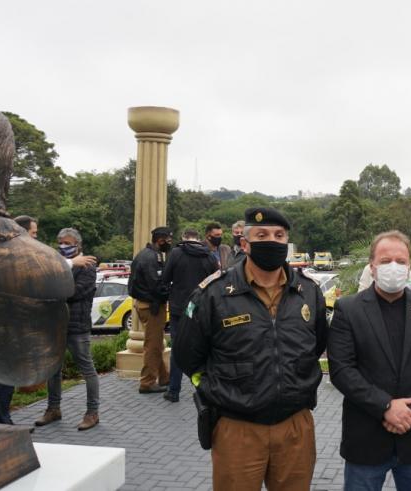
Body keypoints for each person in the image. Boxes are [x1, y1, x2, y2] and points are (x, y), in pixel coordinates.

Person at [173, 207, 327, 491]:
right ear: (245, 244)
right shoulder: (214, 293)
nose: (272, 240)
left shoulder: (308, 292)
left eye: (279, 235)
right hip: (237, 428)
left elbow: (316, 345)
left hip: (295, 426)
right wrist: (211, 388)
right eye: (262, 235)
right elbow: (187, 355)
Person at [328, 230, 411, 490]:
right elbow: (342, 370)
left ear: (409, 266)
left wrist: (408, 412)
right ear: (372, 267)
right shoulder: (349, 309)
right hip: (365, 439)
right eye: (385, 261)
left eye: (401, 261)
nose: (393, 267)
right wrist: (386, 406)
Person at [34, 228, 100, 431]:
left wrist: (54, 290)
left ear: (78, 245)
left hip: (77, 327)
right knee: (53, 369)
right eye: (60, 242)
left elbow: (75, 291)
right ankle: (53, 409)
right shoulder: (57, 262)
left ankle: (92, 412)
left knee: (87, 369)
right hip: (55, 325)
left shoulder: (87, 266)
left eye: (68, 242)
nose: (63, 246)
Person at [159, 228, 219, 402]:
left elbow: (165, 278)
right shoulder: (208, 255)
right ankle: (205, 389)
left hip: (179, 308)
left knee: (177, 348)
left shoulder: (176, 253)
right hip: (201, 308)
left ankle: (173, 391)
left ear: (184, 237)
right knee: (204, 348)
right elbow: (215, 280)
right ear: (198, 239)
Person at [128, 226, 172, 393]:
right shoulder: (151, 258)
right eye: (168, 240)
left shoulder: (144, 255)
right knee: (152, 346)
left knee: (156, 343)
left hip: (145, 304)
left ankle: (164, 377)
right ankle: (147, 382)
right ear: (160, 240)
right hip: (152, 306)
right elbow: (156, 285)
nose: (169, 244)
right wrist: (169, 293)